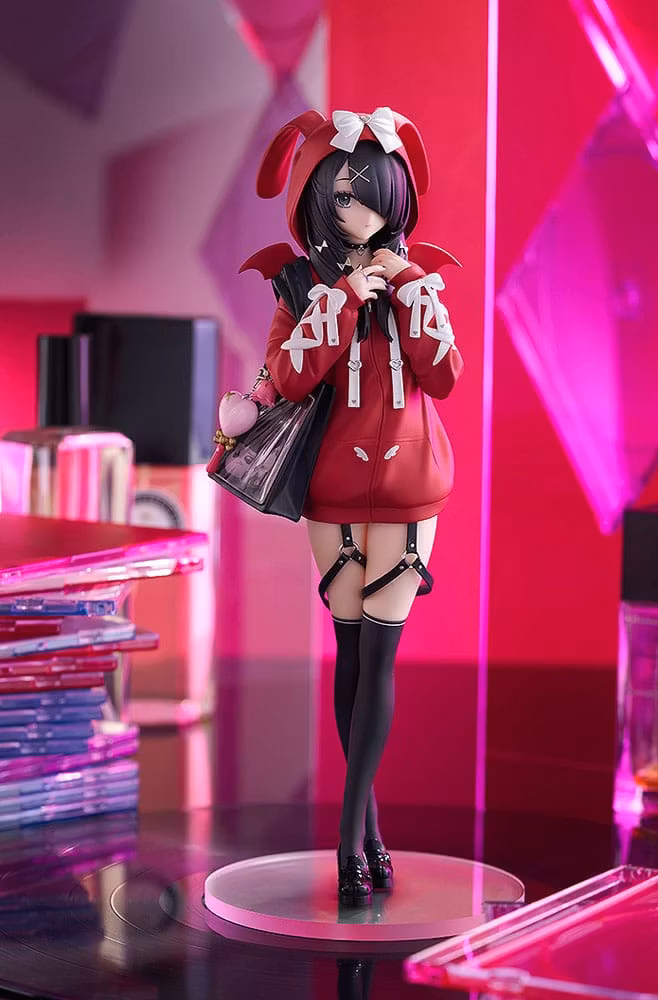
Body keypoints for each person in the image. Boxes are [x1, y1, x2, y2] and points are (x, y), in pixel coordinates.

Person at [241, 107, 463, 905]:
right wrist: (339, 300)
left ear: (397, 196)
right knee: (350, 652)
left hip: (410, 482)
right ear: (312, 200)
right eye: (339, 196)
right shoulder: (299, 285)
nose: (357, 210)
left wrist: (404, 288)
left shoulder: (420, 279)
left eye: (370, 193)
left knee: (382, 656)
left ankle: (348, 836)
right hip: (332, 487)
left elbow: (444, 375)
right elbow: (288, 377)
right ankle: (365, 831)